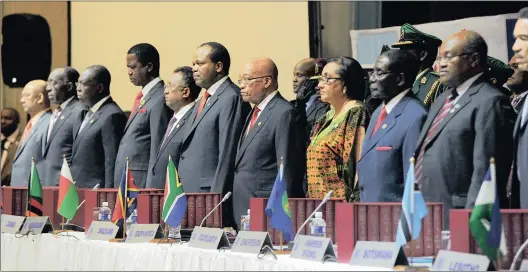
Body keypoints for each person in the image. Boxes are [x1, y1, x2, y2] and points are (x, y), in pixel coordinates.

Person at [415, 31, 515, 227]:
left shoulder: (490, 101)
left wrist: (471, 224)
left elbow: (485, 172)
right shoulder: (442, 100)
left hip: (461, 216)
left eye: (449, 56)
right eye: (440, 57)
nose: (440, 64)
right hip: (427, 211)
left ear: (474, 59)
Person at [178, 42, 250, 227]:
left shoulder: (230, 97)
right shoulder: (203, 98)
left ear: (218, 66)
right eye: (193, 64)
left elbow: (227, 152)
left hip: (209, 196)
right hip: (191, 192)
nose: (194, 69)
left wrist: (216, 203)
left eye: (200, 64)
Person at [233, 58, 304, 230]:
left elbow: (286, 169)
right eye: (240, 80)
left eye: (247, 80)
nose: (242, 85)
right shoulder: (254, 111)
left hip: (267, 209)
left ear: (266, 81)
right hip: (244, 206)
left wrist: (280, 215)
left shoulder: (283, 113)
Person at [358, 50, 427, 202]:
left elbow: (413, 179)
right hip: (371, 211)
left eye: (379, 73)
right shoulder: (379, 111)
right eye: (372, 73)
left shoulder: (415, 116)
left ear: (400, 79)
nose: (372, 79)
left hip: (394, 215)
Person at [306, 57, 367, 201]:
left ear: (345, 84)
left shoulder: (355, 113)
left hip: (341, 207)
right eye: (321, 79)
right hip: (319, 206)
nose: (319, 85)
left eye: (327, 79)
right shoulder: (327, 116)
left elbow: (357, 168)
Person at [114, 43, 171, 188]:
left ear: (149, 67)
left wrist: (152, 190)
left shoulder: (159, 99)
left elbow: (157, 149)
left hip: (141, 183)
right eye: (128, 67)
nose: (129, 72)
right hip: (129, 181)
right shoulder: (145, 97)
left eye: (133, 67)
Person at [71, 65, 126, 188]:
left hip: (96, 191)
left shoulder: (112, 115)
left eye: (83, 84)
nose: (78, 89)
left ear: (99, 88)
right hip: (77, 188)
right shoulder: (83, 113)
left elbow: (111, 161)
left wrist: (108, 194)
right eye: (77, 84)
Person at [146, 66, 199, 189]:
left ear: (185, 92)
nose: (165, 91)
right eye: (166, 86)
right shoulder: (173, 118)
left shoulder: (193, 119)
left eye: (171, 86)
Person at [43, 67, 86, 186]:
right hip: (48, 183)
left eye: (53, 83)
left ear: (70, 86)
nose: (47, 88)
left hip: (66, 186)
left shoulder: (80, 111)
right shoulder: (56, 112)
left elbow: (80, 155)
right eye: (48, 83)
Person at [392, 23, 446, 108]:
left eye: (406, 50)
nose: (401, 54)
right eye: (401, 50)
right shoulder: (402, 82)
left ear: (422, 55)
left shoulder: (437, 84)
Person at [11, 80, 51, 186]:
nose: (21, 100)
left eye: (26, 95)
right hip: (20, 191)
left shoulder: (50, 123)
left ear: (40, 98)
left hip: (35, 192)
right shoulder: (32, 123)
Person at [291, 58, 329, 140]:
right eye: (294, 75)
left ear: (314, 79)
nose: (294, 80)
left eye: (299, 75)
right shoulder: (292, 104)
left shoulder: (325, 107)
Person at [1, 108, 21, 186]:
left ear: (17, 121)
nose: (2, 121)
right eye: (1, 118)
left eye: (8, 118)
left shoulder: (24, 141)